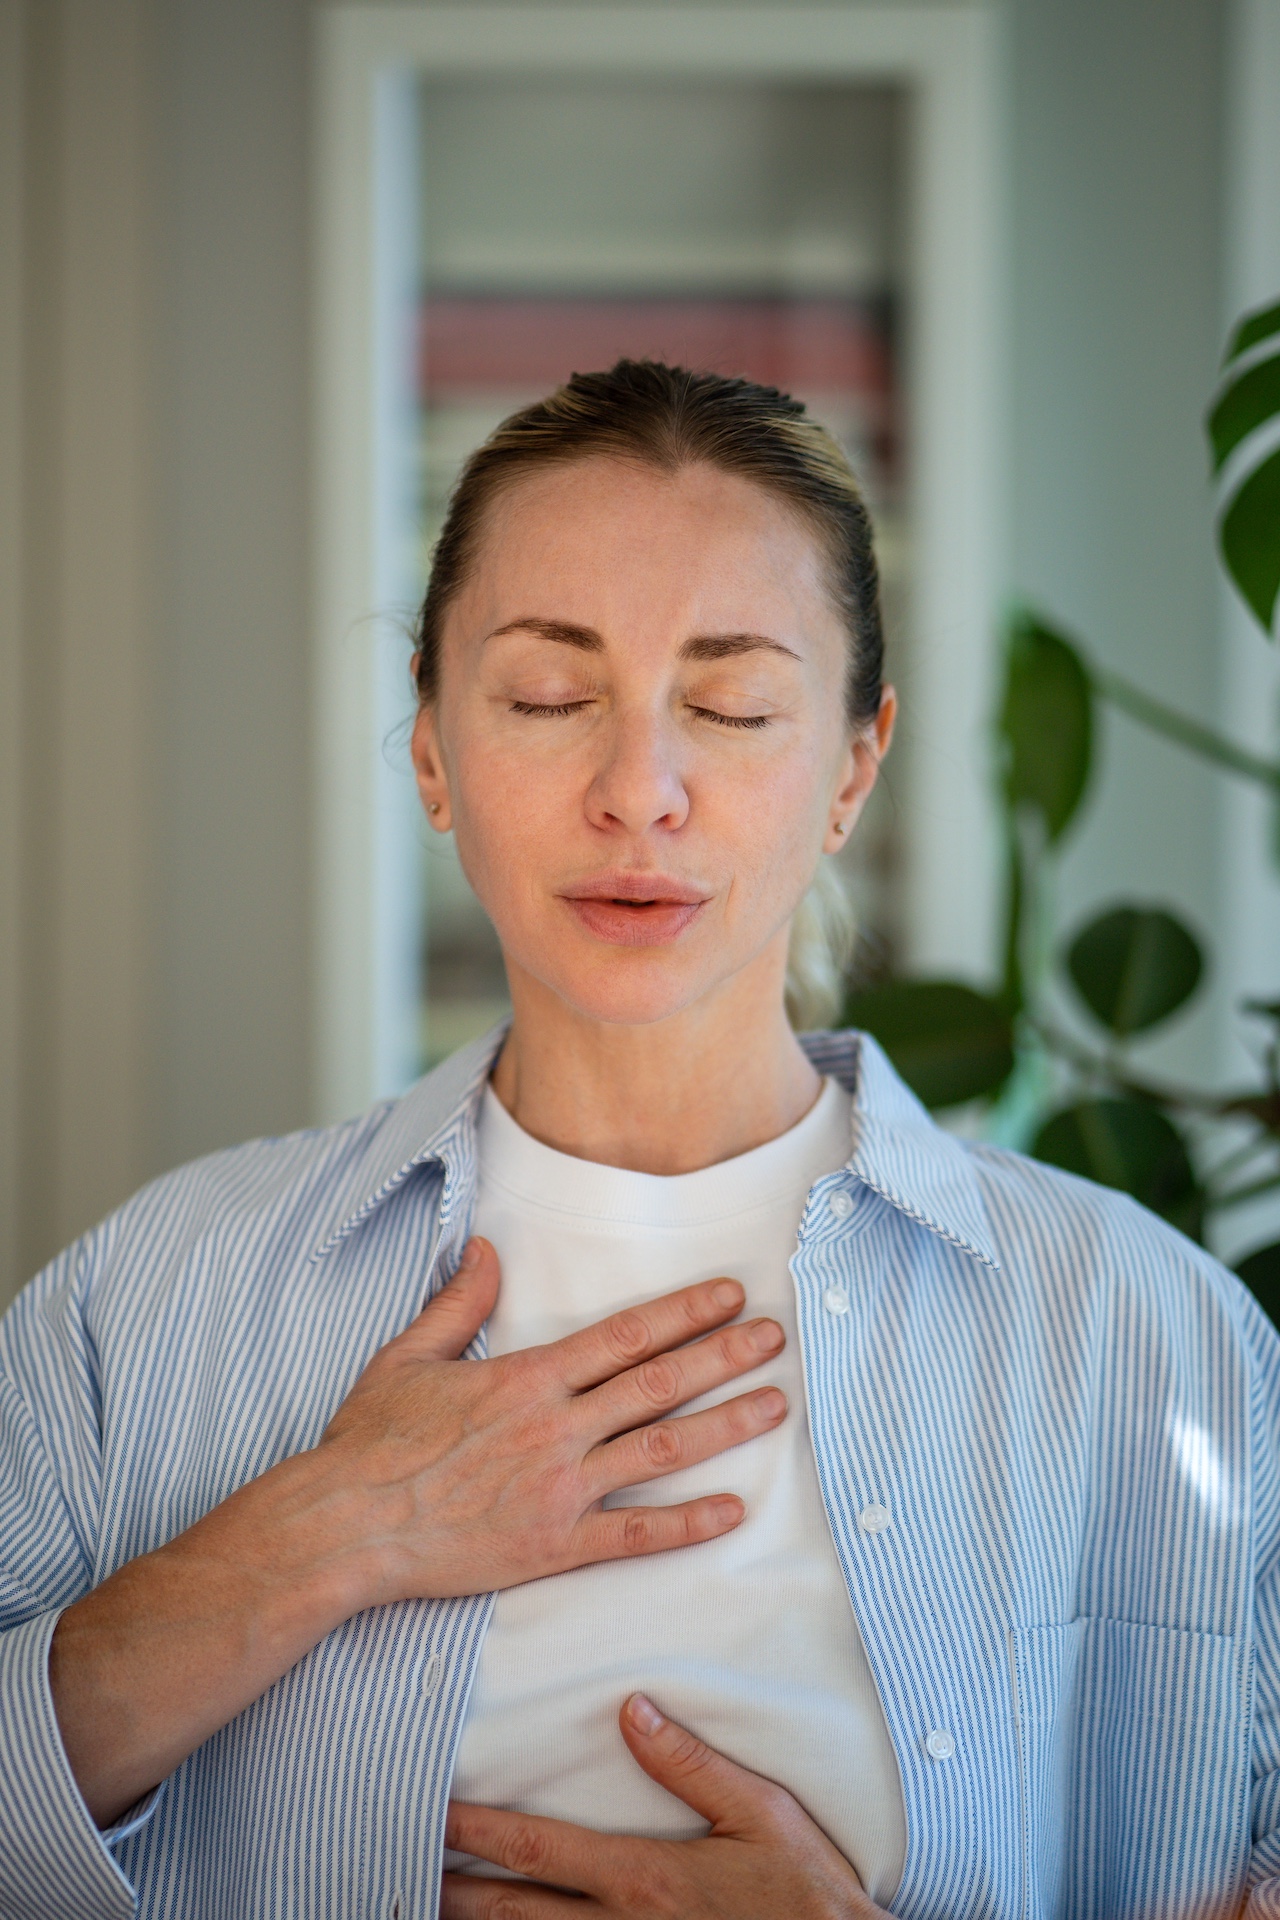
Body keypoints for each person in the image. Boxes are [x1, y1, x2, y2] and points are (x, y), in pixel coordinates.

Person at [1, 360, 1277, 1920]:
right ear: (431, 750)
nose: (638, 793)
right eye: (550, 697)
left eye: (732, 707)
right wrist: (330, 1530)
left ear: (850, 771)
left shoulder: (1161, 1343)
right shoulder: (144, 1305)